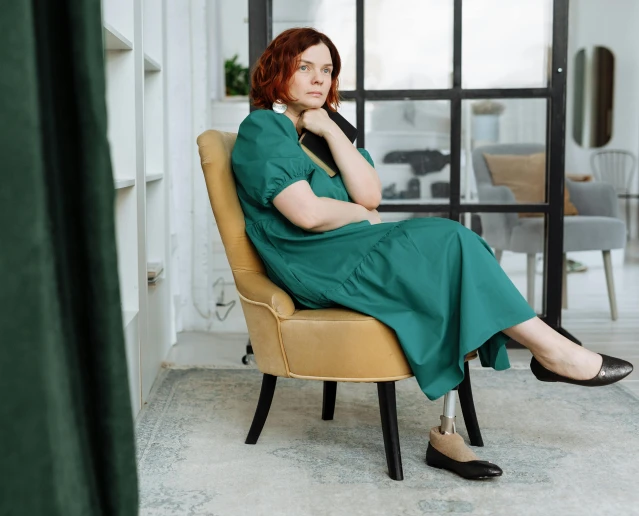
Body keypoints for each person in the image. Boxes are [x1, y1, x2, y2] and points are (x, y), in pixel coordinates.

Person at [230, 27, 633, 480]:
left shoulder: (327, 130)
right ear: (276, 69)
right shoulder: (262, 128)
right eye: (304, 67)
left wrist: (328, 129)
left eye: (327, 70)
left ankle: (449, 431)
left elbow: (370, 193)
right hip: (316, 261)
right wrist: (360, 217)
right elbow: (305, 214)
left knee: (454, 254)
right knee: (449, 240)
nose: (318, 78)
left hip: (348, 250)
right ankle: (552, 351)